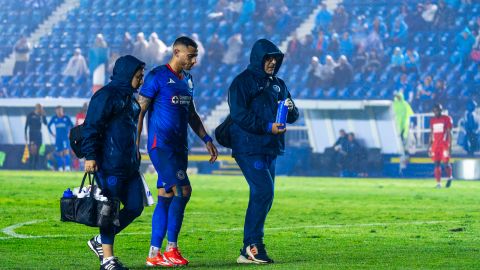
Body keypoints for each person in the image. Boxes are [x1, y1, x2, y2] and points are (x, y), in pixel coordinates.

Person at [137, 36, 218, 267]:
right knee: (184, 190)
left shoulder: (189, 80)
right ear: (176, 52)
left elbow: (191, 114)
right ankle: (172, 248)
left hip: (180, 148)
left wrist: (206, 139)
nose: (194, 61)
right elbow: (140, 111)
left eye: (195, 56)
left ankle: (154, 254)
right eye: (190, 56)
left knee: (166, 197)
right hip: (160, 147)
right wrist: (135, 145)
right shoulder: (157, 76)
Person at [227, 39, 299, 264]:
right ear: (258, 59)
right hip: (248, 147)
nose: (272, 63)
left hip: (270, 148)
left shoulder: (279, 84)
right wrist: (268, 126)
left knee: (265, 196)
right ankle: (253, 245)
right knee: (264, 191)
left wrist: (290, 108)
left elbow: (294, 115)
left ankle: (246, 249)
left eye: (275, 59)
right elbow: (239, 115)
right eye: (268, 58)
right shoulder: (242, 83)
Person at [83, 55, 146, 270]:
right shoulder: (105, 96)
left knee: (136, 206)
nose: (141, 81)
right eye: (138, 76)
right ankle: (108, 260)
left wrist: (135, 152)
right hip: (108, 164)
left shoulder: (130, 98)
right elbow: (90, 127)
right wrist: (90, 156)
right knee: (109, 210)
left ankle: (100, 242)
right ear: (127, 75)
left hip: (129, 165)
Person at [428, 104, 453, 188]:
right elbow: (431, 134)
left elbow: (449, 133)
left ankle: (449, 177)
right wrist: (429, 146)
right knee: (436, 164)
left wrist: (450, 146)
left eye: (438, 110)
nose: (436, 112)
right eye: (435, 111)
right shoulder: (432, 120)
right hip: (435, 146)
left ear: (441, 110)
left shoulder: (447, 119)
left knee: (446, 163)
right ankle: (438, 183)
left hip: (444, 145)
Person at [48, 106, 73, 171]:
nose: (59, 112)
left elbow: (72, 125)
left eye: (60, 110)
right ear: (56, 111)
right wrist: (52, 134)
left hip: (65, 138)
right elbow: (48, 126)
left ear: (62, 111)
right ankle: (60, 168)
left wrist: (69, 133)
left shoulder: (66, 118)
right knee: (58, 153)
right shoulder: (54, 118)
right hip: (58, 139)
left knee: (66, 152)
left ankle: (67, 167)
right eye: (57, 110)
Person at [25, 104, 47, 170]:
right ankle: (30, 165)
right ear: (36, 108)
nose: (40, 109)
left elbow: (45, 123)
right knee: (32, 150)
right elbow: (26, 126)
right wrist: (25, 135)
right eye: (39, 108)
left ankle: (35, 167)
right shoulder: (30, 114)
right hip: (32, 133)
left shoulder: (41, 115)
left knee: (37, 151)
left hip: (38, 133)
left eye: (41, 108)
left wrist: (44, 116)